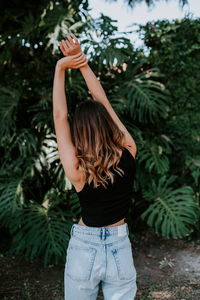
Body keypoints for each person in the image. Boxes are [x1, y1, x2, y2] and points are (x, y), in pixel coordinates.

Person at [53, 33, 137, 300]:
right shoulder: (128, 151)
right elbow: (104, 102)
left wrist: (61, 67)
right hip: (119, 245)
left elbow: (60, 116)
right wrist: (83, 63)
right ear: (107, 126)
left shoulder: (76, 170)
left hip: (84, 248)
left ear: (79, 133)